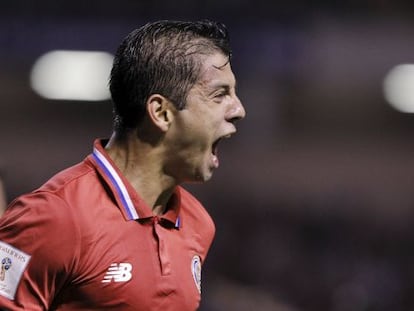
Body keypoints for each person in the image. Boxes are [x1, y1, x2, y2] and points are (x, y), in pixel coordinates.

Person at [0, 19, 245, 310]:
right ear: (161, 113)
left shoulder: (197, 223)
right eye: (220, 95)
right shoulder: (55, 217)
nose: (239, 110)